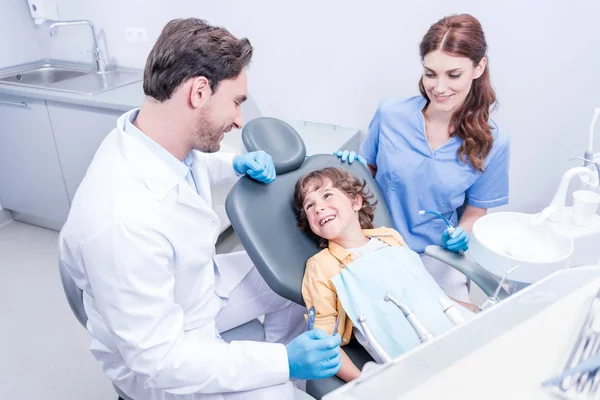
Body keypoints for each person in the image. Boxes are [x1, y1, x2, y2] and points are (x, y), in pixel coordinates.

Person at [58, 18, 341, 400]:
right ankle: (281, 379)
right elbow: (160, 362)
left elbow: (191, 163)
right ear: (199, 91)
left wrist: (234, 163)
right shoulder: (121, 220)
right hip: (166, 365)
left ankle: (286, 372)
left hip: (194, 290)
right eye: (237, 102)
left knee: (300, 277)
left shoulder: (143, 135)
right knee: (273, 393)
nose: (240, 120)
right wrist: (281, 362)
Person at [337, 14, 509, 302]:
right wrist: (346, 169)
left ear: (479, 67)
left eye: (454, 75)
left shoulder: (493, 142)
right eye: (430, 74)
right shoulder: (391, 114)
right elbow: (363, 174)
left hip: (437, 257)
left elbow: (475, 213)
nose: (440, 88)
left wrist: (464, 233)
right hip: (375, 245)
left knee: (455, 333)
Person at [294, 167, 479, 382]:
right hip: (414, 361)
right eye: (310, 205)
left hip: (457, 329)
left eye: (327, 195)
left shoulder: (389, 237)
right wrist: (366, 383)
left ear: (356, 201)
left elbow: (426, 292)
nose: (319, 208)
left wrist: (475, 310)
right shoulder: (322, 265)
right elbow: (323, 344)